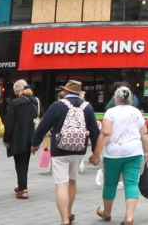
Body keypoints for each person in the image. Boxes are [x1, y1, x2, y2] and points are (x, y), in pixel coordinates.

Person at [31, 80, 100, 225]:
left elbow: (44, 126)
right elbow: (94, 131)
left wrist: (35, 143)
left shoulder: (58, 105)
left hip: (60, 149)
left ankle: (64, 220)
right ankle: (69, 212)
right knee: (72, 181)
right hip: (79, 149)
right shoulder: (87, 107)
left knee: (61, 184)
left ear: (66, 92)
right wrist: (95, 152)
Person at [88, 86, 148, 225]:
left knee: (110, 184)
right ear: (130, 99)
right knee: (131, 183)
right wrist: (147, 152)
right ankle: (129, 217)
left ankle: (107, 213)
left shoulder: (110, 112)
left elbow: (105, 134)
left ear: (116, 98)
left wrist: (96, 154)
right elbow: (144, 134)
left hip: (113, 153)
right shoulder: (136, 112)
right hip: (135, 152)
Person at [5, 80, 40, 200]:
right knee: (25, 163)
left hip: (18, 138)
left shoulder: (15, 103)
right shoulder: (36, 101)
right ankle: (21, 184)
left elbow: (9, 123)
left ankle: (23, 190)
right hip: (31, 136)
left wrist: (6, 140)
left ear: (17, 90)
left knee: (20, 164)